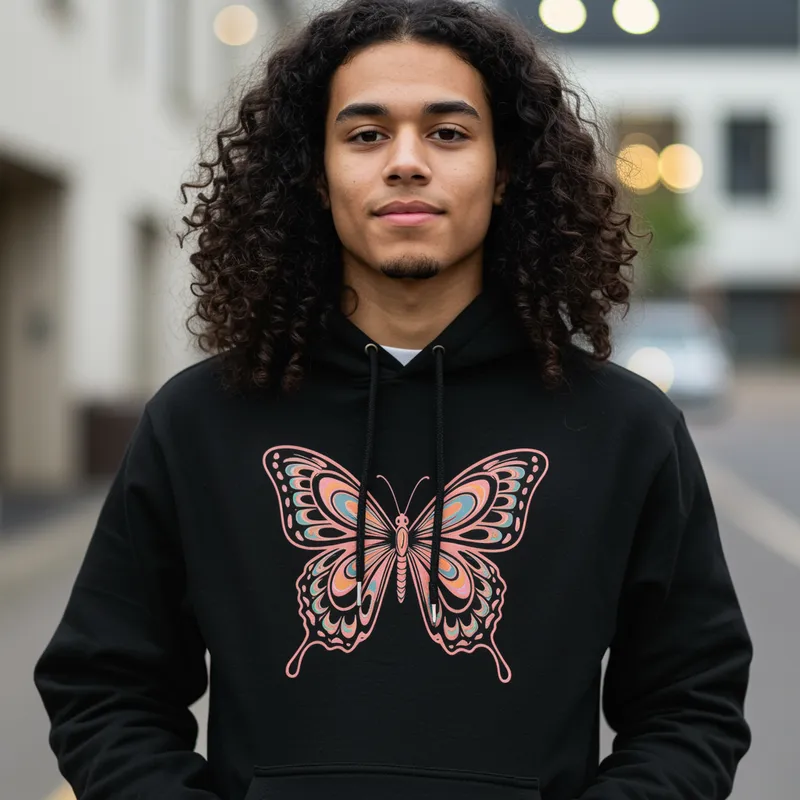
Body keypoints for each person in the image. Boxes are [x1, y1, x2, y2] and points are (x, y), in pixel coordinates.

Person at [33, 0, 753, 797]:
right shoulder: (198, 419)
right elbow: (103, 690)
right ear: (316, 170)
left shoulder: (627, 429)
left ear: (505, 168)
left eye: (448, 133)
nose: (406, 162)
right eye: (366, 134)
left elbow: (693, 708)